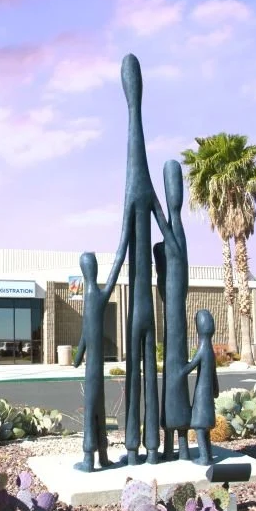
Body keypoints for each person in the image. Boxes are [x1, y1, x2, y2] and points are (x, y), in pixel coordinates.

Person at [107, 53, 173, 465]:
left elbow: (119, 251)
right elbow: (163, 238)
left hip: (140, 312)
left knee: (141, 373)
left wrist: (104, 286)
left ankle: (145, 450)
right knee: (140, 374)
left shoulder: (138, 192)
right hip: (142, 311)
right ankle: (138, 450)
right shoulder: (142, 195)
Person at [158, 160, 192, 461]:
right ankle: (171, 444)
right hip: (172, 309)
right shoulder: (175, 228)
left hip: (176, 308)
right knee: (172, 379)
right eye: (172, 187)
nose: (175, 194)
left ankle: (179, 445)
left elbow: (182, 269)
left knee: (175, 381)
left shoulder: (177, 228)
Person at [72, 252, 119, 472]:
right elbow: (86, 330)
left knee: (91, 410)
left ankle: (89, 459)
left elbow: (85, 330)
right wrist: (78, 354)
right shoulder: (98, 294)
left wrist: (79, 356)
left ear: (84, 272)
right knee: (98, 408)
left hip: (92, 370)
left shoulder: (90, 295)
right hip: (96, 366)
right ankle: (104, 455)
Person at [181, 309, 220, 465]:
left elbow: (190, 366)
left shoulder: (203, 348)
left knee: (199, 425)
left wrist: (178, 371)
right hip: (208, 392)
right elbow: (214, 374)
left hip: (201, 393)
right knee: (205, 428)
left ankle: (204, 457)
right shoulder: (210, 349)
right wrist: (216, 390)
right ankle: (208, 455)